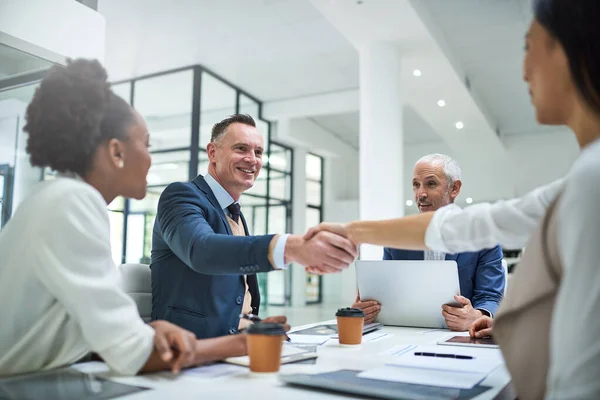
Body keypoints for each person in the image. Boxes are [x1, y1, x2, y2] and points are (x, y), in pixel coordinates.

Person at [306, 0, 600, 397]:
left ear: (568, 50)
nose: (524, 70)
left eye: (530, 47)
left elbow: (474, 230)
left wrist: (483, 315)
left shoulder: (592, 177)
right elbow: (476, 224)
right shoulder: (583, 177)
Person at [0, 59, 254, 377]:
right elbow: (133, 354)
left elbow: (72, 326)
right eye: (145, 144)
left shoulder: (54, 197)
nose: (150, 157)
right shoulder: (74, 203)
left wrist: (150, 330)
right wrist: (243, 343)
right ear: (117, 152)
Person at [150, 114, 357, 339]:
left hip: (241, 338)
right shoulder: (181, 195)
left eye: (258, 152)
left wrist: (254, 323)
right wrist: (291, 247)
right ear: (212, 153)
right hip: (193, 346)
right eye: (241, 149)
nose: (252, 159)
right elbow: (202, 250)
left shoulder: (233, 212)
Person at [352, 154, 504, 331]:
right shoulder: (398, 238)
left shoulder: (483, 237)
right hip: (408, 333)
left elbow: (491, 297)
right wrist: (367, 309)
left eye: (431, 184)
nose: (420, 194)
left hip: (458, 334)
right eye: (416, 185)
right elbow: (388, 295)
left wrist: (477, 316)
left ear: (454, 188)